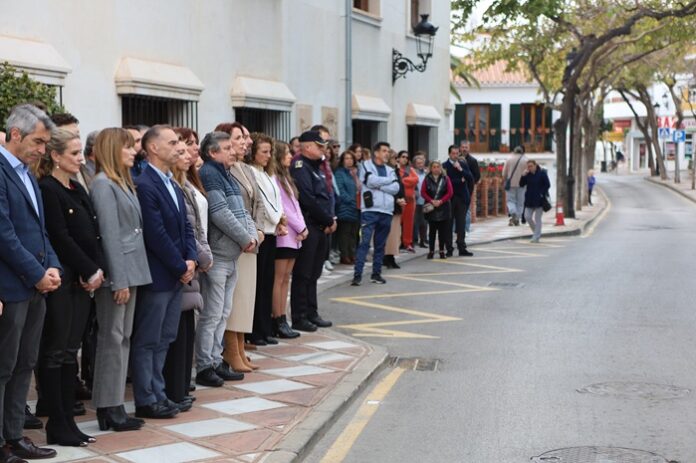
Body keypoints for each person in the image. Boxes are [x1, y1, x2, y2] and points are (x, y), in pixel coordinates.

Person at [35, 128, 105, 447]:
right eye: (74, 154)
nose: (80, 158)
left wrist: (95, 268)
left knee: (69, 353)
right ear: (56, 156)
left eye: (80, 153)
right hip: (63, 280)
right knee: (57, 351)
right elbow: (60, 237)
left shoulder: (76, 186)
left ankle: (69, 422)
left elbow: (92, 229)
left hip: (81, 280)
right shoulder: (48, 189)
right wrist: (88, 268)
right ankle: (57, 423)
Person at [0, 104, 61, 462]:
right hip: (12, 286)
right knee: (3, 367)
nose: (43, 150)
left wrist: (51, 266)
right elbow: (4, 235)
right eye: (38, 142)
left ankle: (13, 436)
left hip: (35, 286)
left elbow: (39, 231)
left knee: (25, 364)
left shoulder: (27, 174)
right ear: (16, 134)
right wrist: (36, 274)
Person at [131, 125, 197, 419]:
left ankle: (159, 393)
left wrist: (191, 259)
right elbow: (154, 233)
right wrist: (180, 265)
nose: (178, 147)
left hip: (176, 273)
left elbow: (186, 225)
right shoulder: (145, 184)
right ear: (153, 148)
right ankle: (146, 398)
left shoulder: (172, 182)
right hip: (160, 275)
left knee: (165, 337)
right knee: (148, 339)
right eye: (172, 143)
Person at [90, 128, 149, 432]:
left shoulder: (119, 182)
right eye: (127, 147)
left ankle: (113, 404)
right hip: (120, 272)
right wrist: (119, 280)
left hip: (133, 268)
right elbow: (110, 237)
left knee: (121, 338)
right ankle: (108, 406)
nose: (133, 152)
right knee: (112, 338)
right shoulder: (102, 185)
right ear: (113, 150)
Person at [197, 129, 256, 384]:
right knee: (212, 313)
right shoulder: (210, 173)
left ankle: (215, 359)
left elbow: (242, 211)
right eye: (228, 148)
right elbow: (219, 213)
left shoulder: (227, 174)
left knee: (224, 312)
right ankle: (204, 365)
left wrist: (251, 235)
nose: (234, 152)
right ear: (212, 153)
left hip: (231, 255)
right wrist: (246, 238)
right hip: (220, 256)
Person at [164, 136, 212, 405]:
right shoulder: (172, 185)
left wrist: (198, 256)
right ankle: (174, 389)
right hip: (180, 264)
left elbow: (193, 227)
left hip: (193, 259)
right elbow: (178, 230)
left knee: (186, 328)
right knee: (173, 332)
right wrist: (191, 259)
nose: (187, 154)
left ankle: (182, 385)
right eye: (180, 150)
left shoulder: (186, 183)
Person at [216, 123, 265, 365]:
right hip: (238, 242)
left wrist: (258, 228)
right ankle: (231, 351)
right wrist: (247, 234)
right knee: (236, 301)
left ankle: (241, 349)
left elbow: (258, 202)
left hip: (252, 239)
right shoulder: (223, 170)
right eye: (240, 137)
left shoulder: (246, 168)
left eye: (246, 137)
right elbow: (228, 209)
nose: (247, 142)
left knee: (246, 299)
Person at [290, 130, 335, 331]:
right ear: (307, 147)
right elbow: (307, 198)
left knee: (314, 273)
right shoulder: (300, 166)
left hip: (320, 226)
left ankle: (312, 312)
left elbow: (325, 196)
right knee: (303, 274)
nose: (322, 149)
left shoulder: (316, 167)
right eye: (319, 145)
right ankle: (300, 316)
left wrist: (330, 218)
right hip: (310, 225)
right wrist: (327, 219)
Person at [248, 133, 287, 347]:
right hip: (263, 233)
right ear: (253, 153)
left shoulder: (266, 173)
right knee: (259, 285)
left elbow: (277, 199)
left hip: (272, 232)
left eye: (269, 151)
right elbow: (263, 203)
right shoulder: (252, 173)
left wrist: (281, 219)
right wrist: (278, 219)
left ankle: (264, 329)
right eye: (264, 151)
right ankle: (256, 331)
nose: (268, 155)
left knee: (267, 283)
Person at [351, 142, 400, 286]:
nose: (387, 154)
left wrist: (380, 185)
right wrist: (388, 182)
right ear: (376, 153)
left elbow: (396, 187)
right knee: (364, 243)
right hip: (370, 210)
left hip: (386, 211)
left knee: (380, 245)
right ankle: (357, 275)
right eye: (384, 151)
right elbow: (369, 181)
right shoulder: (366, 165)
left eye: (388, 151)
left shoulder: (390, 169)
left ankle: (376, 274)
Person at [272, 141, 305, 339]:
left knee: (286, 279)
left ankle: (283, 316)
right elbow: (284, 209)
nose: (291, 156)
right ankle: (278, 317)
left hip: (295, 235)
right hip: (285, 236)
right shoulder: (275, 179)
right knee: (279, 279)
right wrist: (300, 227)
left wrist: (303, 228)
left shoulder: (286, 178)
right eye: (287, 153)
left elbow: (296, 206)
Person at [443, 144, 474, 257]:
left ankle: (462, 247)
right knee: (448, 224)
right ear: (449, 154)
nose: (455, 156)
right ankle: (449, 249)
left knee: (461, 224)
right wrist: (460, 181)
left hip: (462, 198)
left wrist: (460, 170)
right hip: (449, 199)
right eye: (453, 153)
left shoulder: (463, 164)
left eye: (457, 153)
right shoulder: (444, 166)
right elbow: (447, 182)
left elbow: (470, 178)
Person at [421, 161, 454, 259]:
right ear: (431, 168)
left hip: (443, 207)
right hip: (431, 208)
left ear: (441, 168)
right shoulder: (427, 179)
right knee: (432, 231)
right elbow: (423, 192)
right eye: (434, 167)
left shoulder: (446, 178)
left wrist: (441, 201)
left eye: (438, 167)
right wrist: (431, 200)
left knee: (442, 232)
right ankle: (431, 251)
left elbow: (450, 192)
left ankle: (441, 251)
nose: (436, 169)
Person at [334, 151, 360, 265]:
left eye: (351, 158)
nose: (349, 160)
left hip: (356, 207)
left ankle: (352, 254)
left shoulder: (354, 173)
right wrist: (350, 200)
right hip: (345, 206)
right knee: (345, 233)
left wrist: (355, 176)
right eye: (346, 158)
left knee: (354, 233)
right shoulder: (339, 173)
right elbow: (340, 190)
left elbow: (359, 187)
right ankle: (344, 255)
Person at [383, 151, 406, 269]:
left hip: (397, 206)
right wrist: (397, 199)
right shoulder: (386, 171)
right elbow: (386, 188)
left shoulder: (395, 171)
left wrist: (402, 198)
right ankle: (387, 258)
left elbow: (400, 187)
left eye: (396, 158)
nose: (396, 160)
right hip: (389, 206)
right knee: (390, 234)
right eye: (394, 158)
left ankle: (390, 257)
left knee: (395, 234)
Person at [519, 159, 551, 243]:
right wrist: (522, 176)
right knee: (527, 217)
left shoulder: (542, 174)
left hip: (539, 200)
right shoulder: (527, 175)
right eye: (528, 166)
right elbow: (521, 184)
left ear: (535, 166)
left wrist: (541, 193)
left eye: (531, 166)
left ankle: (536, 236)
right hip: (529, 199)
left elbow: (547, 184)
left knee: (538, 219)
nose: (529, 168)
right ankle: (536, 233)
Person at [397, 150, 418, 253]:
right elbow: (398, 182)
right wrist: (408, 181)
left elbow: (416, 179)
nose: (405, 159)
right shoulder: (396, 170)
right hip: (400, 200)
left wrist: (404, 181)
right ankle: (397, 242)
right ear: (398, 158)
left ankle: (407, 243)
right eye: (403, 157)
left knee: (409, 223)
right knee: (398, 222)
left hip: (410, 200)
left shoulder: (410, 169)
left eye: (406, 157)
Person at [503, 146, 529, 226]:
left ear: (514, 151)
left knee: (510, 200)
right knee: (520, 202)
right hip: (522, 184)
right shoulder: (526, 160)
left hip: (511, 184)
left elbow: (504, 173)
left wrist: (504, 180)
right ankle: (517, 218)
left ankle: (513, 212)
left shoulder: (509, 159)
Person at [460, 141, 479, 235]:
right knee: (456, 209)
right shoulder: (456, 159)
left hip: (468, 189)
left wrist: (470, 183)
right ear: (460, 148)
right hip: (456, 188)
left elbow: (477, 176)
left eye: (466, 147)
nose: (464, 149)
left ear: (469, 148)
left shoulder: (473, 161)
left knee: (466, 209)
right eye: (463, 147)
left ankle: (466, 229)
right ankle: (457, 230)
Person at [412, 154, 428, 248]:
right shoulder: (412, 173)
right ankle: (414, 240)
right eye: (418, 163)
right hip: (415, 201)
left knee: (424, 222)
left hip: (425, 200)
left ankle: (423, 240)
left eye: (421, 163)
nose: (420, 165)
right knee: (414, 222)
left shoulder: (426, 174)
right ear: (415, 164)